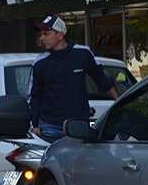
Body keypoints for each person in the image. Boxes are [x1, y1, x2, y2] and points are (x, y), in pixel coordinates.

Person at [29, 15, 118, 143]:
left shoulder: (83, 53)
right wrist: (35, 125)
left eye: (46, 34)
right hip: (50, 127)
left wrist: (119, 102)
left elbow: (102, 80)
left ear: (60, 35)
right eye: (41, 34)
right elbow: (34, 96)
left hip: (79, 125)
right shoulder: (40, 62)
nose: (42, 38)